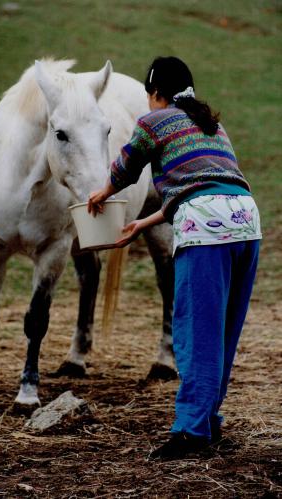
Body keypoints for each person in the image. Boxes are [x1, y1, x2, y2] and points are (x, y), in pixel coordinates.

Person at [88, 56, 262, 460]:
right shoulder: (212, 125)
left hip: (206, 229)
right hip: (245, 221)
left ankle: (190, 431)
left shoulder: (156, 119)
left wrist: (102, 192)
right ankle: (208, 422)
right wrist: (143, 223)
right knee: (221, 333)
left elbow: (128, 165)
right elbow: (205, 183)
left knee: (196, 334)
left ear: (155, 93)